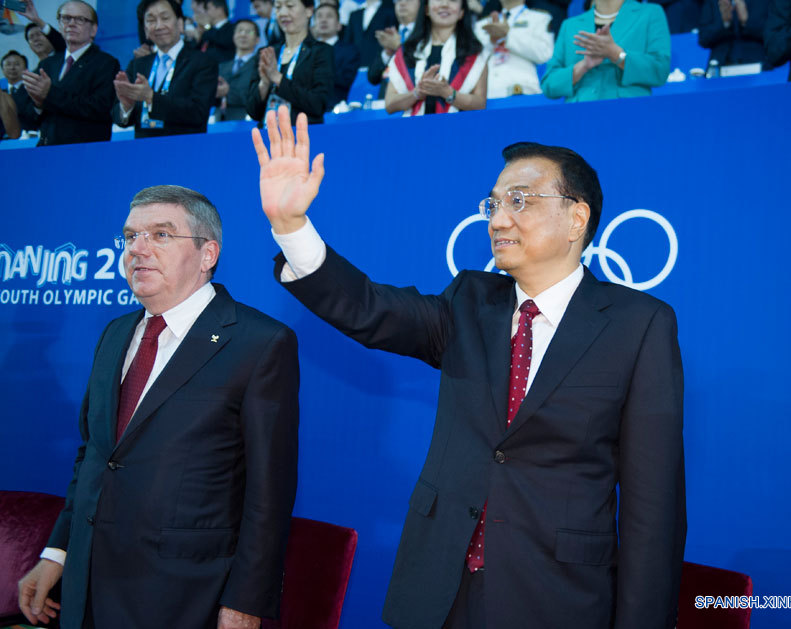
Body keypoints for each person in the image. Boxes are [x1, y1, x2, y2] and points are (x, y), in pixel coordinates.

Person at [252, 106, 687, 628]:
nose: (498, 219)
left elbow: (653, 507)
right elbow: (368, 308)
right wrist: (291, 227)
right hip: (441, 591)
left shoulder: (638, 325)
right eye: (494, 204)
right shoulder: (468, 300)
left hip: (556, 598)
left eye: (520, 201)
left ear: (577, 218)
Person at [17, 184, 300, 629]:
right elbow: (94, 456)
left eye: (161, 235)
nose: (138, 249)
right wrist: (58, 553)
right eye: (131, 237)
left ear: (207, 254)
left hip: (183, 595)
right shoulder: (115, 333)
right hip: (86, 586)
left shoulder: (259, 342)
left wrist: (246, 600)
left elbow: (270, 490)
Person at [113, 0, 218, 138]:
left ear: (180, 24)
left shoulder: (203, 62)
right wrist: (127, 106)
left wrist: (151, 97)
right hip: (143, 147)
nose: (159, 26)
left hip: (184, 146)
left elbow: (198, 112)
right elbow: (119, 119)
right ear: (145, 30)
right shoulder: (138, 65)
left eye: (165, 18)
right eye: (151, 20)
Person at [20, 0, 119, 146]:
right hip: (45, 150)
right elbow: (29, 120)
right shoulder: (48, 64)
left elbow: (100, 109)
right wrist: (38, 104)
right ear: (60, 25)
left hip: (84, 151)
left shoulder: (106, 63)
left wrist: (49, 93)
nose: (71, 24)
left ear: (93, 30)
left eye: (80, 19)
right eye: (66, 18)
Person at [541, 0, 671, 102]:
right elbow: (549, 85)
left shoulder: (650, 13)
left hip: (628, 113)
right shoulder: (570, 25)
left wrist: (616, 54)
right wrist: (583, 66)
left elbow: (660, 71)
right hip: (579, 117)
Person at [385, 0, 489, 115]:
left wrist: (447, 93)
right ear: (426, 9)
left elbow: (480, 104)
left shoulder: (474, 53)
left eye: (453, 0)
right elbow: (390, 104)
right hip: (414, 126)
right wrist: (417, 93)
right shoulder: (407, 51)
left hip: (456, 125)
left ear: (462, 12)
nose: (444, 4)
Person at [245, 0, 334, 125]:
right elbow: (252, 112)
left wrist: (277, 78)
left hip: (303, 133)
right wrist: (264, 83)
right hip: (268, 133)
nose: (283, 13)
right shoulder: (268, 53)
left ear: (309, 11)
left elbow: (318, 104)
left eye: (290, 6)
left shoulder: (321, 51)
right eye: (278, 7)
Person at [474, 0, 554, 99]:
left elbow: (546, 54)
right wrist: (491, 42)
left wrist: (508, 36)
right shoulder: (482, 24)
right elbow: (472, 61)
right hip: (488, 93)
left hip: (523, 91)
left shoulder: (539, 18)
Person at [366, 0, 418, 96]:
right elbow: (372, 77)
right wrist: (387, 53)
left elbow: (419, 70)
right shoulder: (389, 32)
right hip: (386, 99)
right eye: (398, 0)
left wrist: (398, 47)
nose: (402, 3)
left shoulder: (425, 34)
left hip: (412, 97)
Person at [313, 2, 361, 106]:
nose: (323, 20)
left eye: (329, 16)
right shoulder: (307, 50)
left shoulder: (349, 51)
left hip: (336, 105)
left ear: (339, 25)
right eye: (319, 16)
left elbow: (346, 80)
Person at [698, 0, 768, 70]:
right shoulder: (713, 1)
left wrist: (746, 22)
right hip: (720, 63)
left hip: (756, 62)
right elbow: (703, 39)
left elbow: (770, 34)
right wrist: (725, 23)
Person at [217, 18, 261, 120]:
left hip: (246, 121)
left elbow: (257, 97)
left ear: (257, 39)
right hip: (218, 120)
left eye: (249, 32)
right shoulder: (222, 67)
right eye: (239, 31)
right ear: (233, 36)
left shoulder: (259, 65)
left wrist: (228, 92)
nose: (243, 35)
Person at [347, 0, 399, 65]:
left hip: (379, 65)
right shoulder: (354, 15)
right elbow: (347, 42)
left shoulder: (391, 10)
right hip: (355, 65)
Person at [2, 50, 39, 133]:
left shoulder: (32, 89)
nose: (12, 68)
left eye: (17, 64)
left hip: (29, 135)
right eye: (8, 64)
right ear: (2, 69)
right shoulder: (2, 92)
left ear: (26, 69)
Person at [199, 0, 236, 64]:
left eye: (208, 9)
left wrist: (207, 26)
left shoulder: (232, 28)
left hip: (222, 66)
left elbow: (223, 40)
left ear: (220, 10)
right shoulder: (208, 30)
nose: (205, 13)